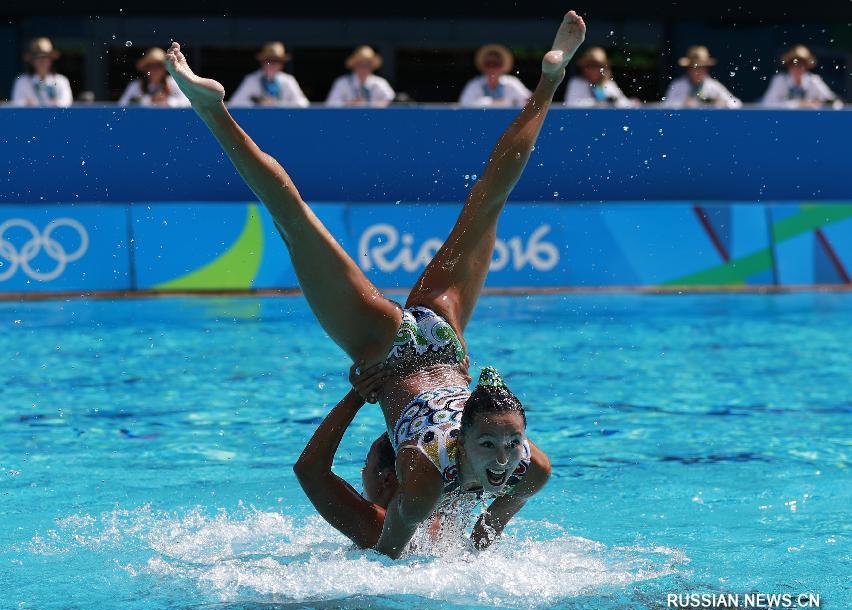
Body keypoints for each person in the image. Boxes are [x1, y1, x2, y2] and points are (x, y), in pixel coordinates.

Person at [164, 9, 585, 558]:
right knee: (306, 219)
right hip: (410, 350)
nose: (505, 459)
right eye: (494, 444)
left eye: (510, 445)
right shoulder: (431, 475)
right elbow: (401, 562)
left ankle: (552, 77)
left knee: (483, 200)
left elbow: (469, 541)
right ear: (464, 438)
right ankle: (211, 109)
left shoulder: (525, 466)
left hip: (432, 349)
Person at [227, 42, 309, 107]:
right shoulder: (251, 79)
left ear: (282, 64)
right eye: (268, 60)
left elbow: (303, 104)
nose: (271, 64)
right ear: (262, 62)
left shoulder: (288, 80)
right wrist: (258, 103)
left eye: (276, 61)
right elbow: (234, 104)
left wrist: (277, 104)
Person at [761, 45, 840, 109]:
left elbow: (833, 101)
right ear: (789, 66)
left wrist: (820, 104)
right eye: (794, 64)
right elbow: (766, 103)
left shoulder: (813, 80)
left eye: (801, 64)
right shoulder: (780, 80)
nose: (797, 68)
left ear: (806, 67)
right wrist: (797, 104)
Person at [663, 45, 740, 109]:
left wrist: (721, 103)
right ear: (688, 69)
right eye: (695, 67)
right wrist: (682, 103)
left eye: (702, 67)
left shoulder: (714, 86)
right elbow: (666, 106)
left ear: (706, 69)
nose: (698, 71)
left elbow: (737, 104)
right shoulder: (678, 85)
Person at [458, 44, 531, 108]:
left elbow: (528, 101)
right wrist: (493, 102)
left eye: (496, 64)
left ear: (502, 66)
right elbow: (464, 105)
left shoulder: (512, 83)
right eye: (488, 64)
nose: (492, 68)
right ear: (483, 66)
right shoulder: (474, 84)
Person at [11, 37, 73, 107]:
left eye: (46, 58)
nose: (42, 61)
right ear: (32, 61)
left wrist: (56, 104)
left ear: (51, 61)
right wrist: (27, 103)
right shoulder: (22, 81)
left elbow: (67, 103)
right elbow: (17, 104)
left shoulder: (61, 81)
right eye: (38, 58)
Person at [118, 47, 190, 107]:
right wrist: (150, 100)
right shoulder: (135, 85)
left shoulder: (173, 82)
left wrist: (168, 101)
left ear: (165, 68)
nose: (155, 70)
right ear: (145, 69)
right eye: (151, 66)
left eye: (159, 66)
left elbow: (188, 103)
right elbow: (122, 105)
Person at [326, 45, 395, 107]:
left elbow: (391, 99)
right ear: (354, 66)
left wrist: (377, 105)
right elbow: (331, 104)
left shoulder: (380, 82)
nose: (363, 68)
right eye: (360, 64)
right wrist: (351, 103)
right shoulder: (342, 82)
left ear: (372, 67)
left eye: (367, 65)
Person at [563, 46, 633, 107]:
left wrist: (631, 103)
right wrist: (597, 103)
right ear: (584, 68)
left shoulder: (608, 84)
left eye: (599, 66)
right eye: (591, 66)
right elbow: (571, 104)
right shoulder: (576, 82)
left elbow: (623, 102)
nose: (595, 69)